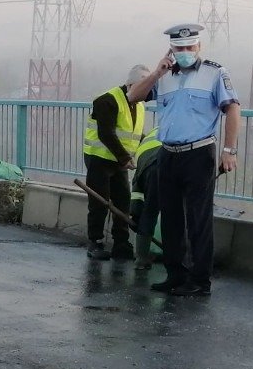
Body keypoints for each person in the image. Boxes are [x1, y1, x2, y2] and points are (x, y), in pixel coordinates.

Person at [127, 23, 241, 297]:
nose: (185, 52)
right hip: (168, 154)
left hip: (198, 153)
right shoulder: (164, 76)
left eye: (190, 47)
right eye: (179, 48)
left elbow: (233, 109)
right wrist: (156, 73)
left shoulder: (214, 73)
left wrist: (229, 151)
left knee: (198, 219)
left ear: (199, 47)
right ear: (171, 50)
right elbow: (134, 96)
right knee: (171, 220)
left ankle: (200, 279)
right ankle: (175, 274)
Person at [83, 64, 150, 261]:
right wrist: (125, 157)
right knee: (99, 202)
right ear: (131, 85)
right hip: (99, 158)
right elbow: (106, 133)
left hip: (119, 162)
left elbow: (135, 134)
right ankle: (94, 242)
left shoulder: (139, 104)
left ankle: (121, 243)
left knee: (123, 202)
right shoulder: (107, 100)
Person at [130, 128, 163, 270]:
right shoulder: (158, 129)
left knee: (149, 212)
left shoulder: (140, 152)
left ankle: (141, 259)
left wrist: (135, 215)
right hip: (173, 161)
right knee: (178, 213)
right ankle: (182, 260)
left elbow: (138, 192)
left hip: (154, 169)